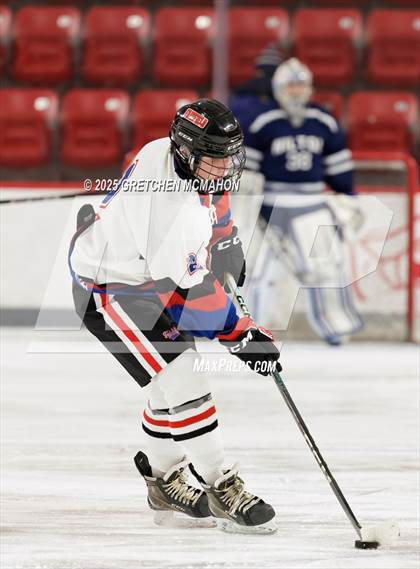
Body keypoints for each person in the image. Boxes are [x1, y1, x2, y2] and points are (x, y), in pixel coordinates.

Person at [69, 99, 281, 534]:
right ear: (185, 152)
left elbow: (210, 196)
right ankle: (221, 485)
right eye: (214, 158)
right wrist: (241, 336)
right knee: (185, 377)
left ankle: (162, 478)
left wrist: (223, 237)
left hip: (143, 275)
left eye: (227, 157)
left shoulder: (167, 153)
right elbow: (192, 296)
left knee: (169, 389)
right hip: (111, 289)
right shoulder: (171, 215)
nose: (224, 168)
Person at [242, 58, 364, 346]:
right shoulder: (262, 122)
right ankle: (255, 330)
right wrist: (249, 207)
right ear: (278, 88)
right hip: (272, 204)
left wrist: (348, 196)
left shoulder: (323, 121)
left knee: (326, 268)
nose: (296, 92)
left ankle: (336, 327)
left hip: (312, 204)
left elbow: (338, 168)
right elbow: (247, 174)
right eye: (291, 86)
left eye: (301, 85)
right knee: (262, 272)